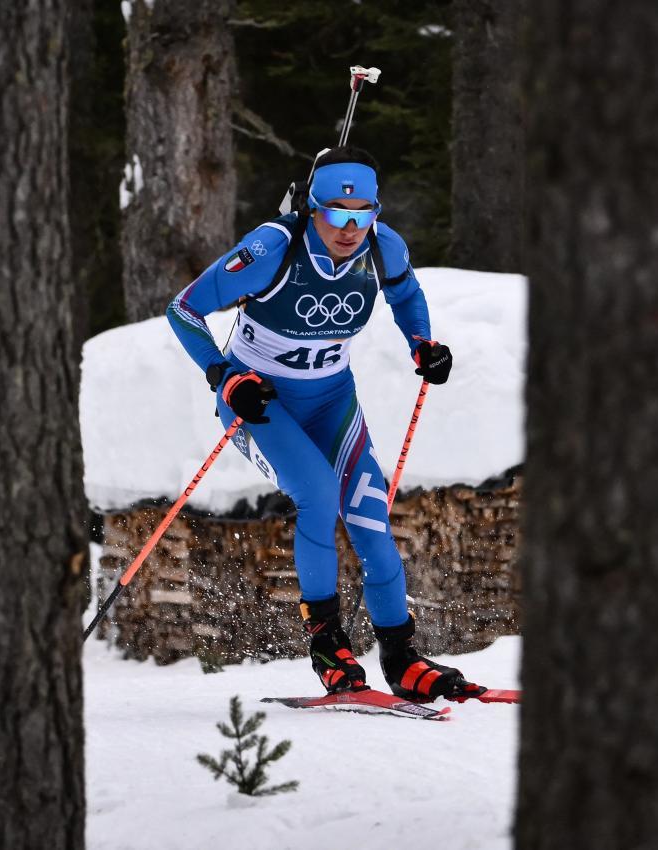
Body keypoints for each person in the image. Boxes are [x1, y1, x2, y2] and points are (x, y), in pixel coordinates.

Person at [166, 146, 479, 701]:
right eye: (337, 213)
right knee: (317, 495)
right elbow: (184, 309)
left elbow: (406, 292)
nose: (350, 229)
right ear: (312, 209)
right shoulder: (271, 249)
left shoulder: (382, 246)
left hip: (333, 401)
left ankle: (401, 657)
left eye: (363, 214)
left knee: (370, 515)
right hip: (261, 403)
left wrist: (422, 344)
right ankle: (328, 645)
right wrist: (224, 376)